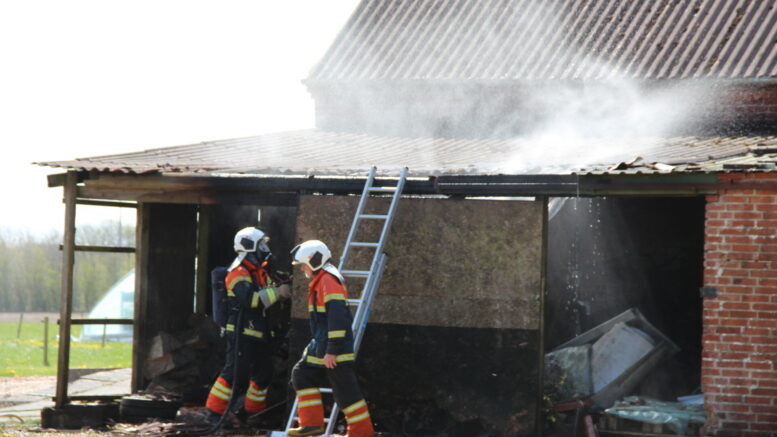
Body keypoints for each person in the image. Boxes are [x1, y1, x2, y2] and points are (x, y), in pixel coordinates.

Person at [287, 240, 374, 437]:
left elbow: (338, 319)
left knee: (346, 392)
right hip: (322, 344)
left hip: (334, 347)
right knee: (301, 374)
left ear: (314, 261)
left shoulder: (328, 281)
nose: (302, 269)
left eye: (303, 264)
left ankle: (362, 432)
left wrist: (332, 350)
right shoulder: (322, 280)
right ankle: (311, 424)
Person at [205, 226, 290, 424]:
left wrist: (281, 283)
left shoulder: (258, 271)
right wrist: (278, 292)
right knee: (234, 372)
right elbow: (250, 300)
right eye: (261, 245)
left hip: (258, 331)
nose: (265, 249)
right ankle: (213, 413)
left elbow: (267, 289)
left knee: (264, 373)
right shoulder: (238, 272)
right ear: (250, 246)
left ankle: (253, 413)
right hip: (241, 331)